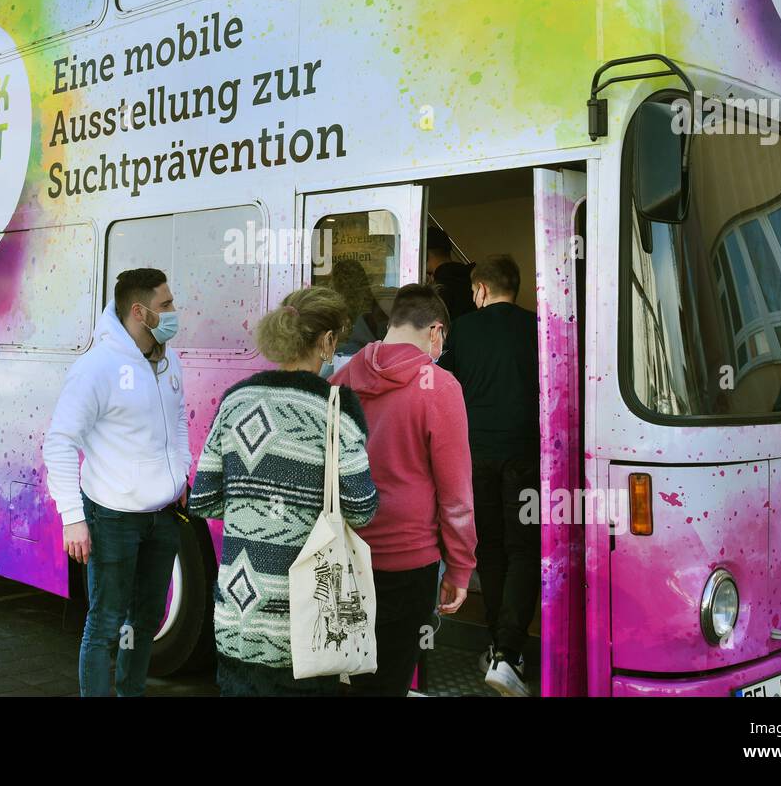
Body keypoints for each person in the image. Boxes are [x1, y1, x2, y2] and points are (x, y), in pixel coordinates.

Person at [188, 286, 378, 697]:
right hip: (307, 625)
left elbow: (201, 499)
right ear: (327, 342)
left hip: (238, 616)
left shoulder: (236, 401)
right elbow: (362, 509)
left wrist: (254, 510)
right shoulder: (337, 411)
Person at [43, 267, 191, 697]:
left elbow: (178, 418)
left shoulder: (167, 359)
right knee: (105, 624)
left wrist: (181, 472)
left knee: (143, 622)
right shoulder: (98, 367)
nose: (174, 312)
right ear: (139, 312)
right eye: (166, 305)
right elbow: (60, 442)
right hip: (112, 518)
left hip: (163, 517)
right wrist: (73, 518)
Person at [331, 284, 476, 696]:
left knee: (349, 676)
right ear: (436, 332)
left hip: (346, 555)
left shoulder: (342, 378)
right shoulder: (441, 387)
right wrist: (460, 567)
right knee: (390, 679)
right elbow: (456, 495)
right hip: (408, 561)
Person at [438, 254, 540, 697]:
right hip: (526, 455)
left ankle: (500, 648)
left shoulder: (461, 328)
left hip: (474, 456)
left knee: (492, 550)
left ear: (479, 290)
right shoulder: (539, 326)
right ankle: (508, 653)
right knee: (524, 549)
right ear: (513, 288)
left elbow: (445, 387)